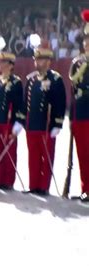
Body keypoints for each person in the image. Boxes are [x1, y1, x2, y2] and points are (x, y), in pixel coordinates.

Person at [24, 36, 66, 196]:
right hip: (32, 123)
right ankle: (33, 184)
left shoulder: (55, 79)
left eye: (41, 59)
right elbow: (25, 102)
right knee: (33, 157)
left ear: (49, 61)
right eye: (36, 59)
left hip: (47, 124)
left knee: (46, 157)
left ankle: (44, 186)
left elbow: (60, 104)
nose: (38, 62)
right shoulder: (31, 79)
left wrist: (57, 124)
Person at [0, 50, 25, 190]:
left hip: (9, 121)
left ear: (11, 65)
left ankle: (9, 181)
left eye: (3, 62)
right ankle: (0, 180)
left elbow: (20, 105)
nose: (0, 64)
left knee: (9, 152)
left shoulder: (16, 82)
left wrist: (19, 123)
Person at [69, 10, 89, 203]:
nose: (87, 44)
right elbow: (73, 89)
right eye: (85, 41)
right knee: (83, 153)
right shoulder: (78, 62)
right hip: (81, 112)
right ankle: (86, 189)